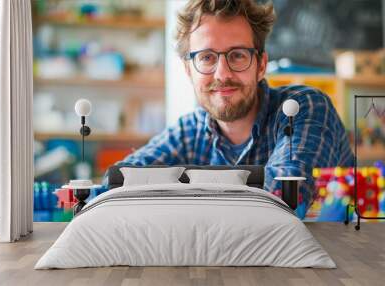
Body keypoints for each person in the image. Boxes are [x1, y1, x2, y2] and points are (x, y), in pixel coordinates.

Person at [111, 0, 354, 218]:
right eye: (206, 57)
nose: (222, 74)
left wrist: (177, 185)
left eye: (237, 56)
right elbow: (118, 181)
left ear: (261, 65)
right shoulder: (189, 130)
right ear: (188, 71)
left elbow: (285, 195)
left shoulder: (305, 108)